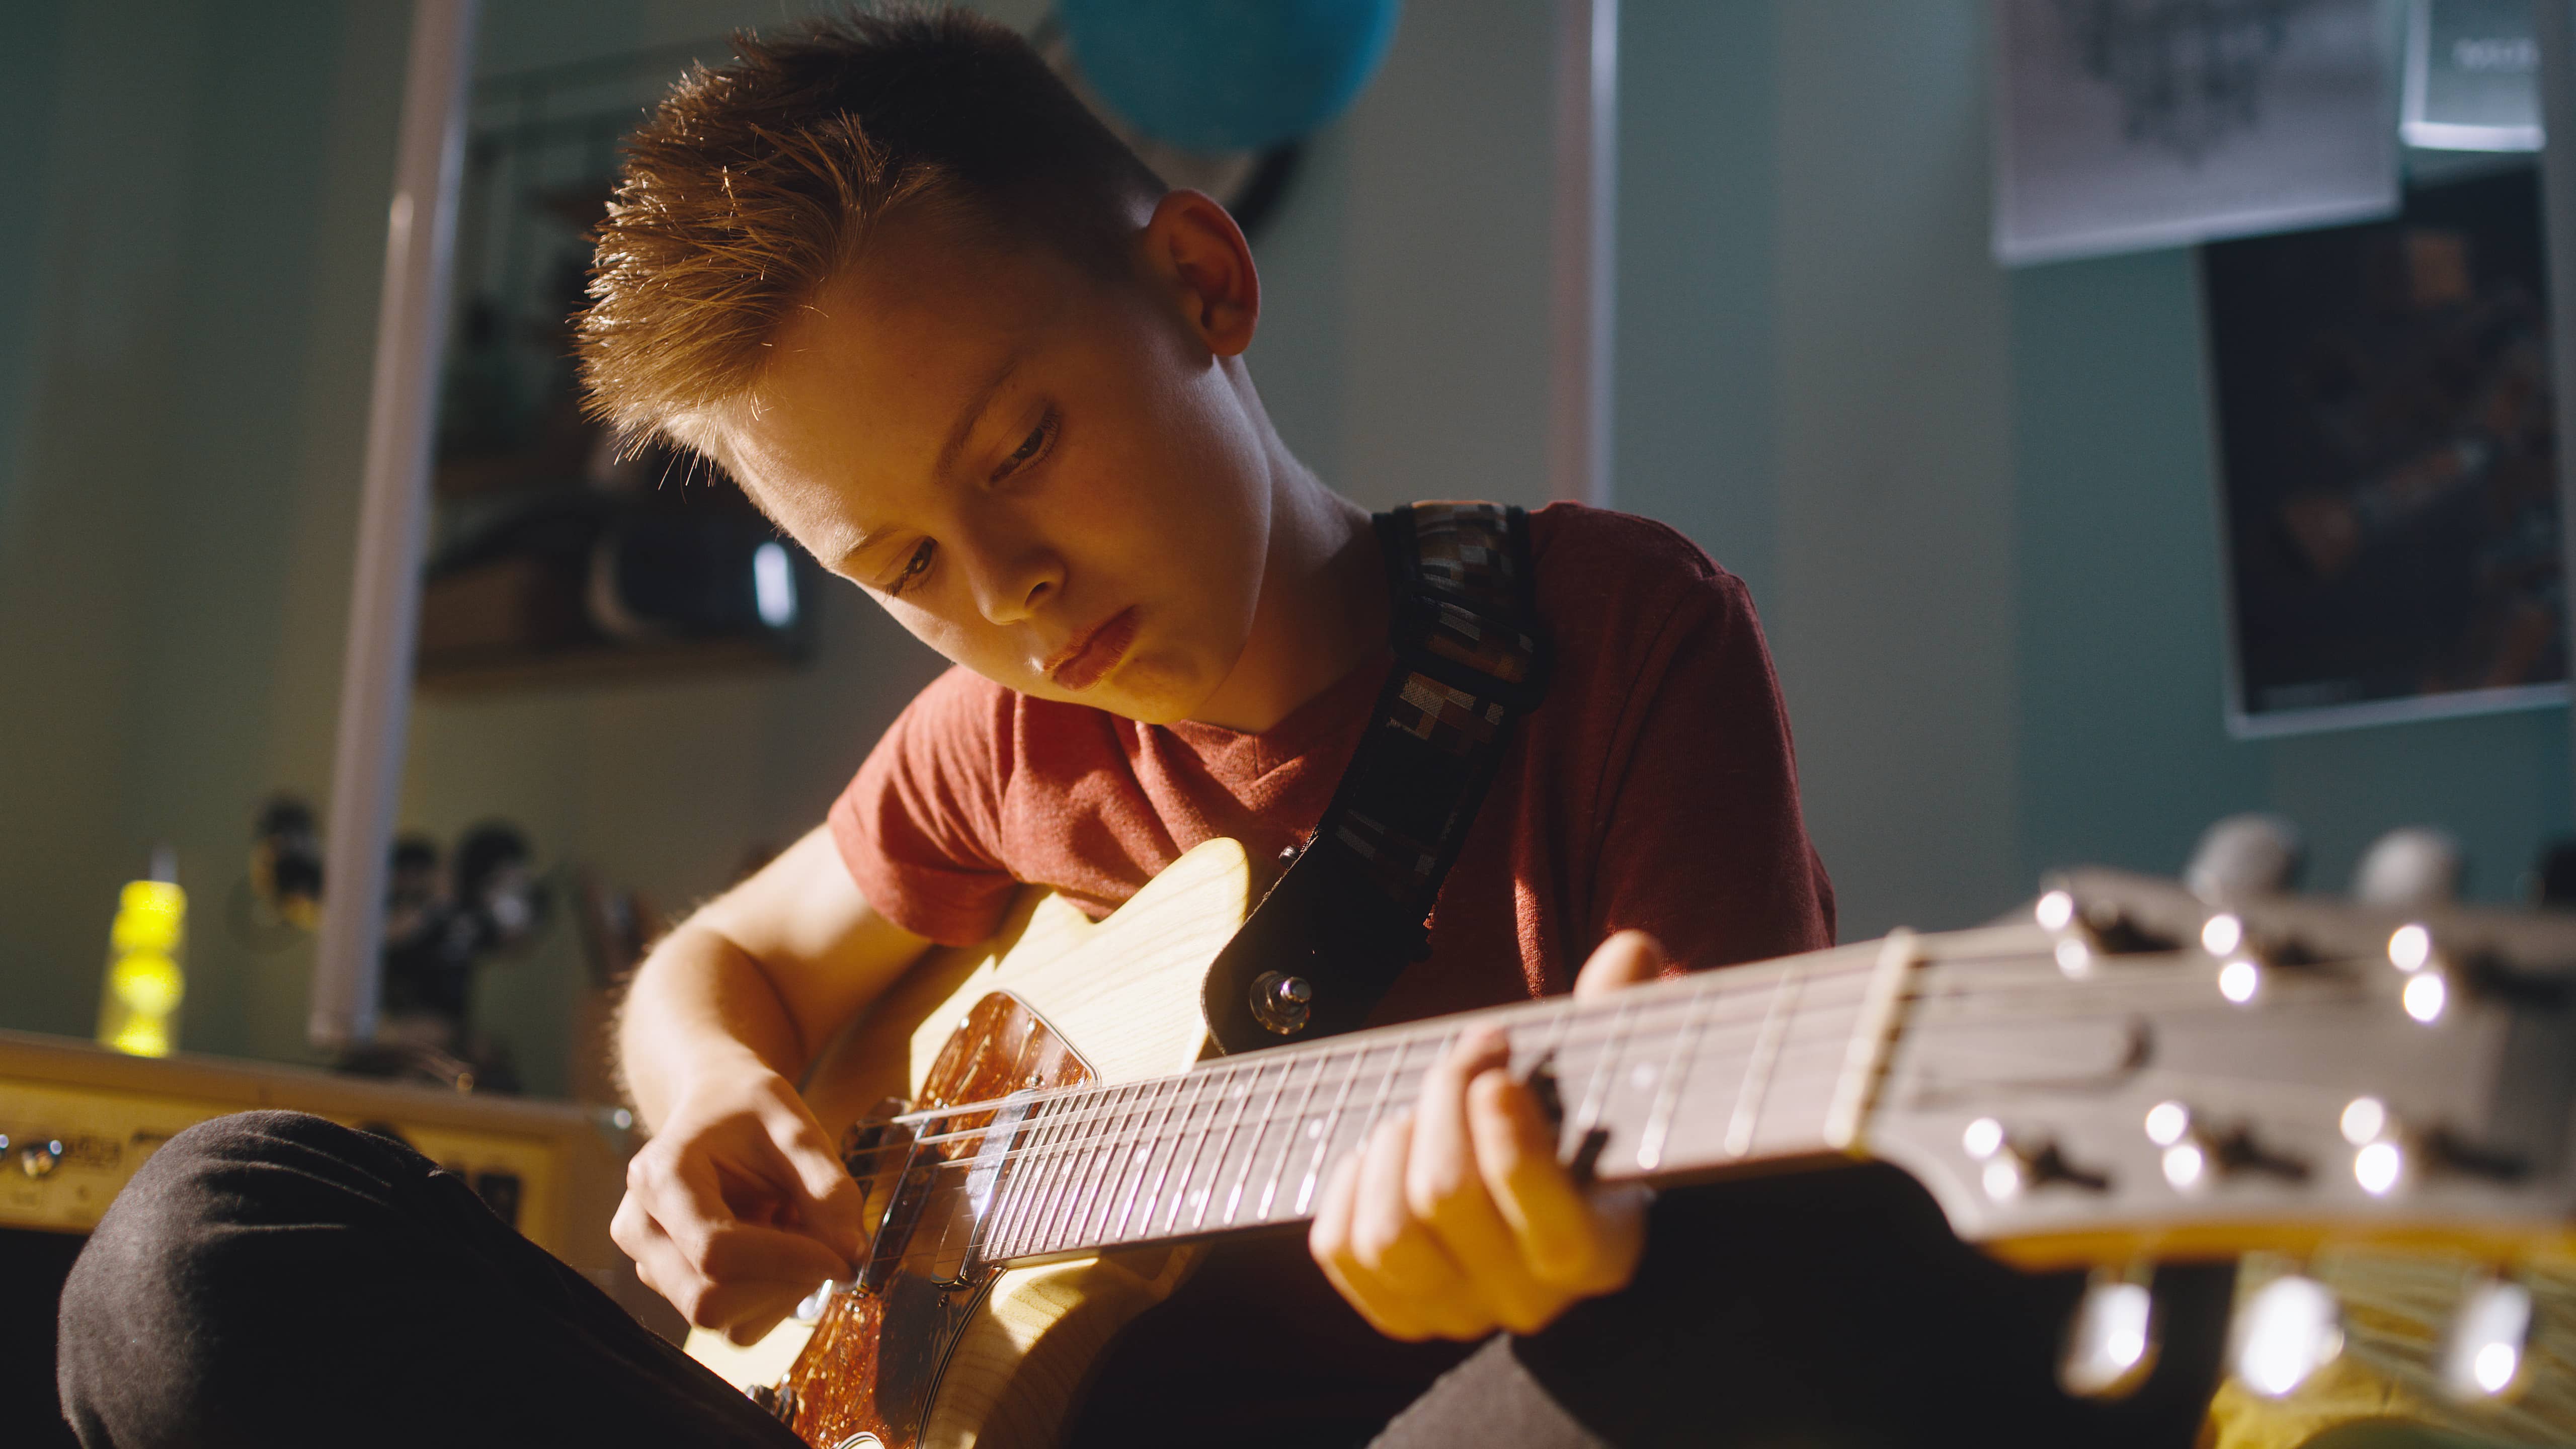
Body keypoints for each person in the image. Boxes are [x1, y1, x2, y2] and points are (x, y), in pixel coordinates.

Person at [55, 11, 2216, 1448]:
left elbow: (1719, 1191)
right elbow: (726, 964)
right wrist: (710, 1093)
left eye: (1022, 448)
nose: (999, 593)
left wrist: (1569, 1238)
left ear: (1201, 282)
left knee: (1872, 1277)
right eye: (900, 561)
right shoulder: (999, 741)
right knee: (199, 1242)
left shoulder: (1609, 626)